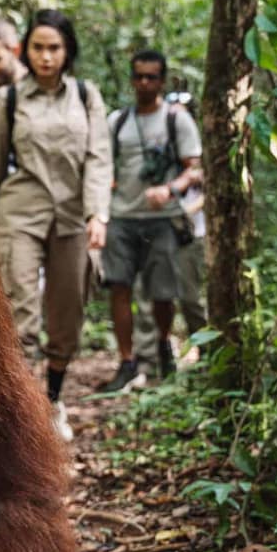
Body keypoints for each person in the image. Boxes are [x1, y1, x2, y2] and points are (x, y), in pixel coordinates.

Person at [0, 9, 111, 442]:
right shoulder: (8, 100)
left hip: (72, 216)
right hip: (21, 212)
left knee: (67, 312)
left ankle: (53, 399)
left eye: (54, 48)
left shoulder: (87, 97)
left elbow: (98, 158)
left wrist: (98, 212)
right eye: (38, 48)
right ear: (25, 51)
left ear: (67, 51)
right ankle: (18, 410)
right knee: (19, 312)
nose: (46, 57)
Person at [99, 51, 203, 393]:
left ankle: (162, 348)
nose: (144, 83)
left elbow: (195, 168)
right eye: (139, 76)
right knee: (119, 287)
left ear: (162, 80)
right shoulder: (118, 121)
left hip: (163, 220)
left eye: (152, 77)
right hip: (123, 217)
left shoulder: (177, 120)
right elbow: (103, 165)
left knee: (162, 294)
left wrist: (171, 189)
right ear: (132, 78)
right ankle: (127, 362)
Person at [133, 90, 207, 377]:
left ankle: (208, 358)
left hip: (188, 234)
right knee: (152, 296)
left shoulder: (198, 153)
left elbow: (206, 190)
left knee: (191, 298)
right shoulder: (155, 148)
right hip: (155, 231)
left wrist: (181, 210)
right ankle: (154, 360)